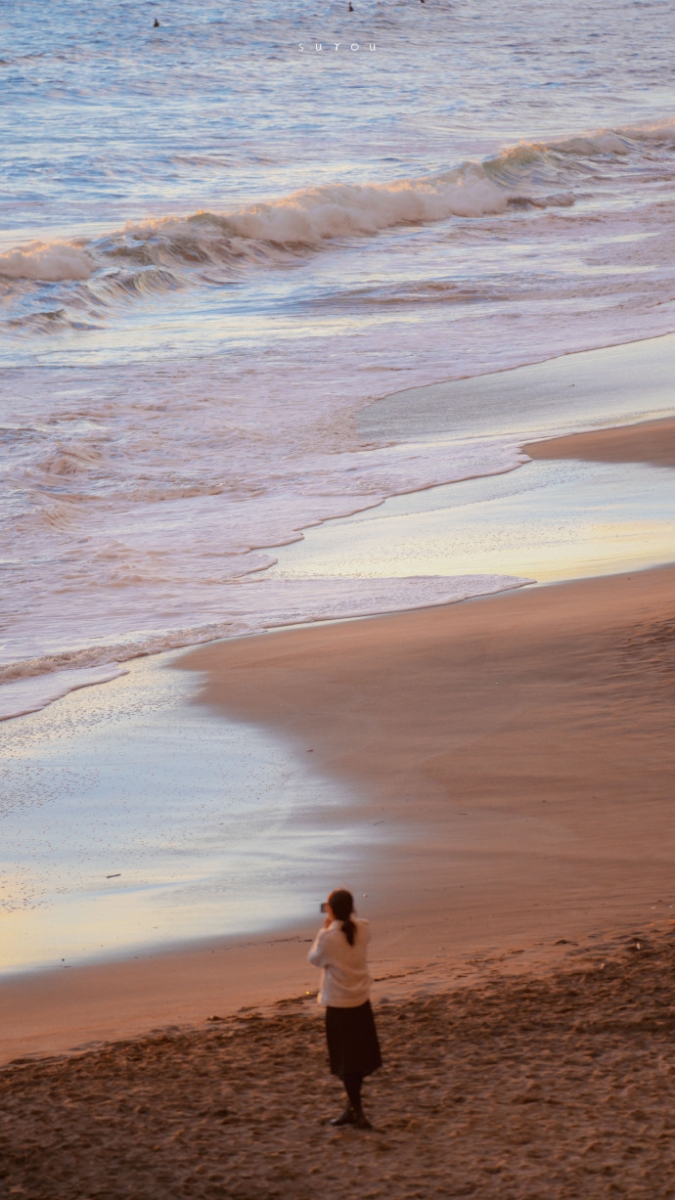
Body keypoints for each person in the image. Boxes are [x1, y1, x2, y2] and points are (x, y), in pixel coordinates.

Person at [308, 888, 382, 1129]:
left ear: (331, 910)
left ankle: (356, 1110)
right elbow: (356, 926)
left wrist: (326, 927)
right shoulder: (363, 928)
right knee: (358, 1057)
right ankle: (353, 1107)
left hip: (340, 1004)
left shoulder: (329, 937)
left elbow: (315, 959)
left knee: (346, 1060)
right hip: (360, 1000)